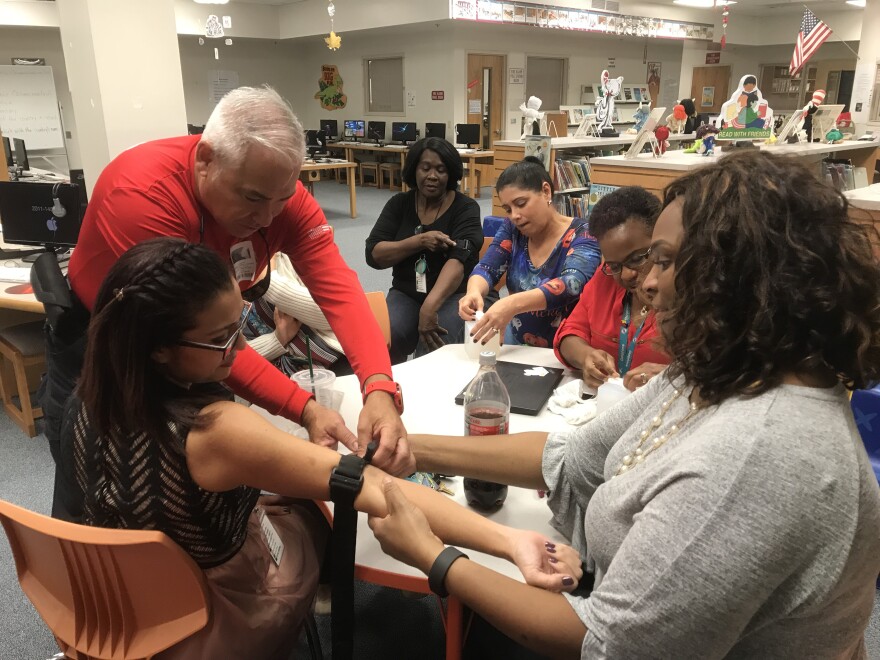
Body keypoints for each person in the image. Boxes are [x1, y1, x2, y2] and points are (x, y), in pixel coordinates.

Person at [368, 150, 880, 658]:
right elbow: (569, 459)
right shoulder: (718, 372)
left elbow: (606, 644)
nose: (649, 283)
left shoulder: (756, 458)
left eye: (667, 260)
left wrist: (434, 557)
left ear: (747, 273)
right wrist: (407, 447)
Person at [58, 237, 582, 657]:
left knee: (295, 489)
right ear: (159, 351)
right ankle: (321, 604)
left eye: (237, 328)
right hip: (208, 619)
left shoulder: (94, 388)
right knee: (318, 509)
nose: (239, 352)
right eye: (222, 340)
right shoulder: (215, 429)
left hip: (122, 598)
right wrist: (509, 543)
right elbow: (376, 488)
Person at [42, 86, 410, 521]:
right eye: (253, 198)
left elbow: (339, 290)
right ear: (205, 160)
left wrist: (380, 387)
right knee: (100, 505)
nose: (270, 217)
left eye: (284, 198)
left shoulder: (271, 189)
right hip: (105, 352)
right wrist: (303, 407)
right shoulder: (141, 194)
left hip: (203, 349)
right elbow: (209, 342)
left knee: (205, 505)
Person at [459, 157, 601, 348]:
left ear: (545, 191)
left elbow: (572, 284)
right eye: (508, 209)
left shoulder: (584, 234)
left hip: (568, 352)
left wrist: (511, 304)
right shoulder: (513, 229)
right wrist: (473, 292)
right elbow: (487, 267)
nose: (515, 215)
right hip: (516, 347)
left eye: (521, 203)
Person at [366, 137, 483, 364]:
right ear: (414, 170)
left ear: (450, 174)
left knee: (433, 344)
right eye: (425, 168)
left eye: (441, 170)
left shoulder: (466, 208)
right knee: (385, 336)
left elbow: (460, 260)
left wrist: (429, 307)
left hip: (453, 294)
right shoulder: (399, 204)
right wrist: (418, 241)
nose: (432, 176)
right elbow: (374, 254)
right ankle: (391, 388)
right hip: (406, 292)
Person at [554, 186, 669, 392]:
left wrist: (672, 378)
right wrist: (586, 356)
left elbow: (721, 374)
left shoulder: (688, 294)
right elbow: (570, 333)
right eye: (615, 266)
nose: (626, 274)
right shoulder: (605, 280)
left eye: (637, 258)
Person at [244, 253, 352, 378]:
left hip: (335, 359)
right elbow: (226, 356)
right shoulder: (223, 278)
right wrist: (277, 339)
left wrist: (269, 282)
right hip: (271, 376)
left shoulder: (292, 256)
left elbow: (335, 316)